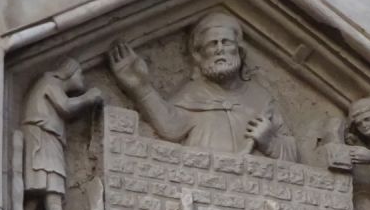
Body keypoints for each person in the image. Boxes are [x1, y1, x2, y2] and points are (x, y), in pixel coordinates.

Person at [106, 8, 300, 160]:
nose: (220, 50)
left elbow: (292, 153)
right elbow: (170, 126)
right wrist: (141, 87)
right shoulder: (192, 95)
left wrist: (269, 142)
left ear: (239, 50)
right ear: (198, 56)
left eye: (226, 43)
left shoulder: (261, 99)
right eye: (212, 44)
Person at [20, 57, 102, 210]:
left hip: (43, 133)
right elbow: (65, 106)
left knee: (42, 172)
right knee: (51, 170)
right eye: (80, 74)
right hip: (43, 133)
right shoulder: (51, 82)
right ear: (69, 73)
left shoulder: (49, 83)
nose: (82, 79)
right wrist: (88, 97)